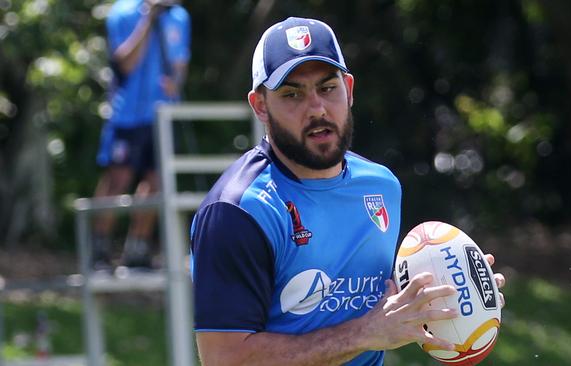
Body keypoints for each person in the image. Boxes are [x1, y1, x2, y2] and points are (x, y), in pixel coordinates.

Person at [190, 17, 505, 365]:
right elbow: (224, 359)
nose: (317, 109)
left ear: (349, 90)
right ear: (260, 105)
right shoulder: (239, 211)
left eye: (327, 88)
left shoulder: (381, 186)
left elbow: (378, 304)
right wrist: (366, 333)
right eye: (292, 94)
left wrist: (460, 293)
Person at [93, 0, 190, 269]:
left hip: (163, 115)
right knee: (118, 179)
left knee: (156, 181)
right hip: (128, 115)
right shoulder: (122, 12)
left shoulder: (180, 17)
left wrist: (176, 82)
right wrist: (148, 20)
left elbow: (181, 64)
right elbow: (125, 63)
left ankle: (137, 249)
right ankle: (99, 249)